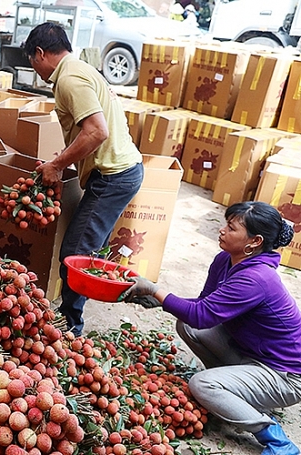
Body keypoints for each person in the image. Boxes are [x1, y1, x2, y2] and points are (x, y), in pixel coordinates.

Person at [121, 201, 301, 455]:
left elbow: (201, 314)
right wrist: (161, 302)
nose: (221, 230)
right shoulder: (226, 260)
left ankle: (274, 436)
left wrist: (155, 289)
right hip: (253, 354)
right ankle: (235, 392)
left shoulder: (257, 278)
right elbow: (203, 307)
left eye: (231, 227)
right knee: (187, 325)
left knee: (202, 385)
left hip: (285, 375)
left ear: (254, 241)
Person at [23, 23, 144, 336]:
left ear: (40, 54)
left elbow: (97, 131)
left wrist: (58, 164)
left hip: (113, 177)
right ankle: (112, 293)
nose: (35, 71)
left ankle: (70, 325)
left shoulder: (69, 78)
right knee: (89, 253)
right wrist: (58, 161)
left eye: (32, 63)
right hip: (120, 172)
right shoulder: (78, 70)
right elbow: (86, 130)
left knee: (73, 256)